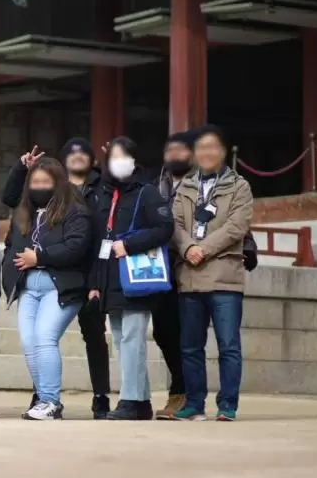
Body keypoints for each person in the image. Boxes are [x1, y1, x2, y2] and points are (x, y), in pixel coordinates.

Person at [2, 138, 112, 419]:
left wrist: (40, 257)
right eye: (35, 182)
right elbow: (11, 222)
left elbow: (76, 246)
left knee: (44, 338)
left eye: (45, 182)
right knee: (28, 342)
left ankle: (51, 401)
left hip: (60, 286)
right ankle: (43, 398)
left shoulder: (75, 210)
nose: (39, 187)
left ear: (58, 182)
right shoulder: (25, 213)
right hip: (29, 287)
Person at [88, 137, 174, 421]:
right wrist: (95, 284)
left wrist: (131, 245)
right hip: (109, 278)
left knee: (134, 339)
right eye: (113, 157)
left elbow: (165, 228)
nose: (118, 161)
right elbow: (99, 239)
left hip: (135, 278)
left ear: (135, 160)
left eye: (124, 156)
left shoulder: (147, 192)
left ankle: (130, 399)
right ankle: (141, 401)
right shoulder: (104, 193)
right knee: (122, 340)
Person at [171, 125, 254, 422]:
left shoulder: (239, 186)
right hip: (190, 277)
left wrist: (203, 249)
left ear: (223, 151)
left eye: (213, 147)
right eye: (201, 147)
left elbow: (237, 225)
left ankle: (227, 404)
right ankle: (194, 403)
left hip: (224, 277)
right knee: (191, 346)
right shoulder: (185, 187)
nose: (207, 153)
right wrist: (188, 248)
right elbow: (175, 225)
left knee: (228, 345)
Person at [149, 131, 194, 419]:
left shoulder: (205, 182)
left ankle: (186, 394)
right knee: (163, 331)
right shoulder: (157, 185)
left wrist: (248, 246)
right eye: (171, 150)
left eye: (181, 150)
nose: (175, 155)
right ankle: (180, 389)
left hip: (194, 265)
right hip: (161, 268)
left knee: (188, 333)